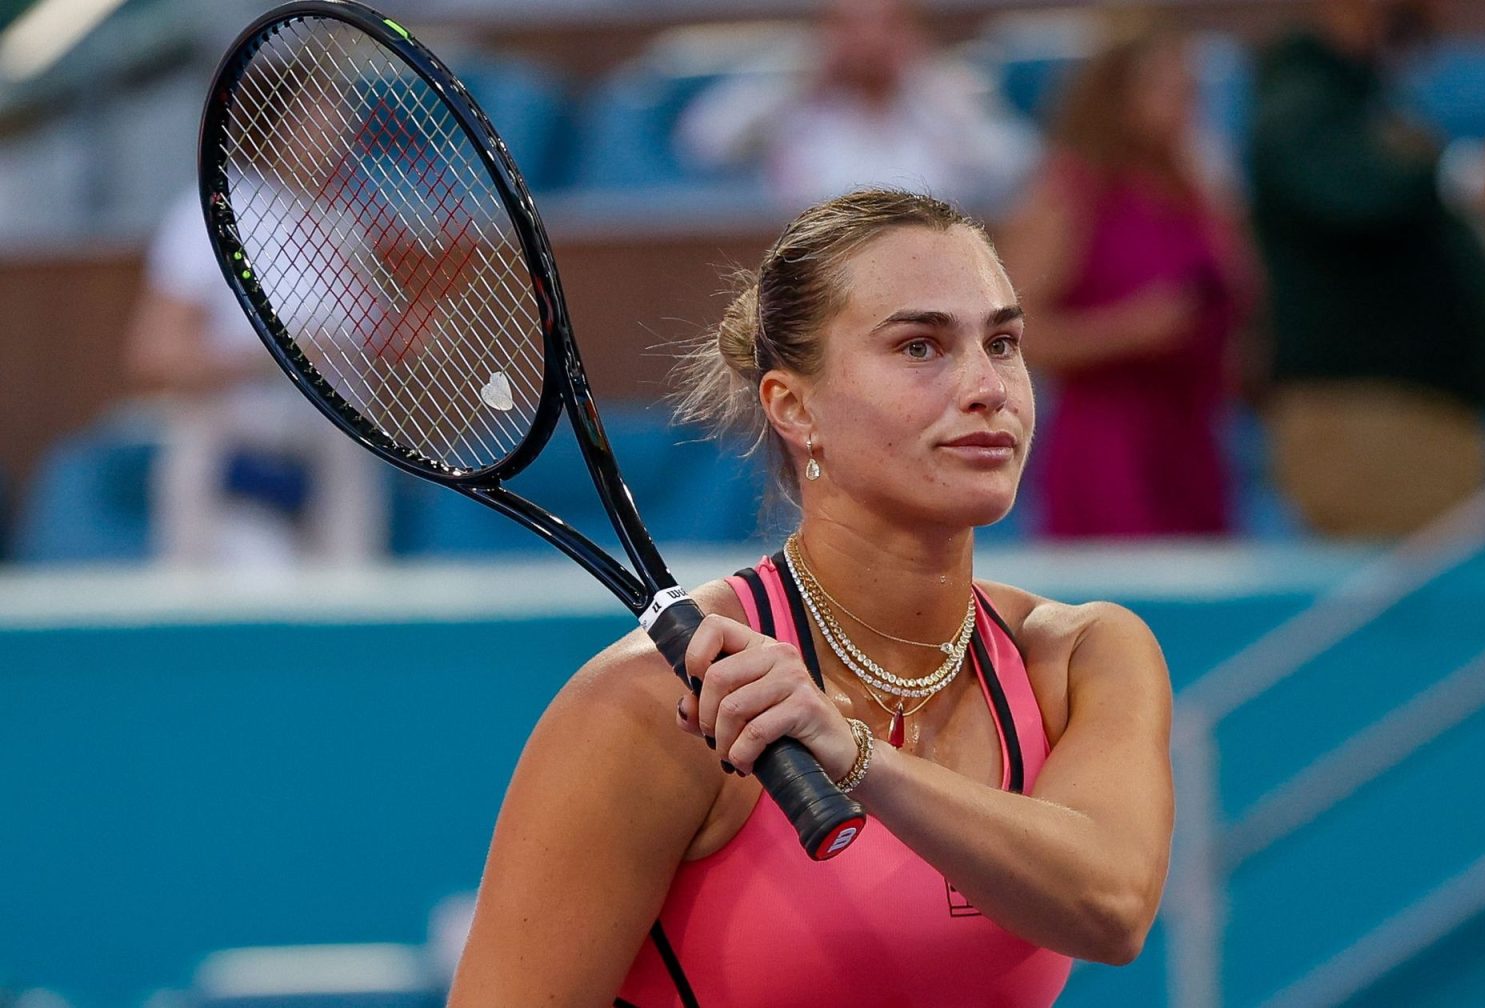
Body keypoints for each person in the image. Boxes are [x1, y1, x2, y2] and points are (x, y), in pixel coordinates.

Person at [447, 190, 1174, 1006]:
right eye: (921, 347)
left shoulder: (1080, 657)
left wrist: (856, 757)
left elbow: (1111, 908)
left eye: (1003, 342)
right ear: (794, 407)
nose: (986, 387)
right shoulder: (653, 706)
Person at [1244, 0, 1485, 538]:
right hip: (1369, 421)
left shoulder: (1366, 97)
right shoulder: (1301, 99)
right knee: (1418, 612)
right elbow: (1351, 188)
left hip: (1417, 418)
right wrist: (1478, 176)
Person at [998, 22, 1258, 539]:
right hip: (1107, 442)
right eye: (1165, 88)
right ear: (1117, 98)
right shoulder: (1068, 196)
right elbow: (1012, 336)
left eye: (1190, 91)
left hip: (1194, 437)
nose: (1183, 105)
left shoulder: (1201, 195)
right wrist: (1127, 331)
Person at [124, 185, 384, 567]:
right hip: (236, 455)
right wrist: (278, 355)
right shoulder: (210, 215)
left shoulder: (345, 218)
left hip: (335, 464)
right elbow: (155, 356)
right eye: (323, 121)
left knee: (347, 610)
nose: (339, 130)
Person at [675, 0, 1037, 210]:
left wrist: (928, 83)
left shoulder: (947, 92)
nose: (869, 41)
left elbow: (1019, 167)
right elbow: (703, 144)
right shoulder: (788, 96)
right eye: (851, 27)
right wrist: (795, 79)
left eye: (886, 26)